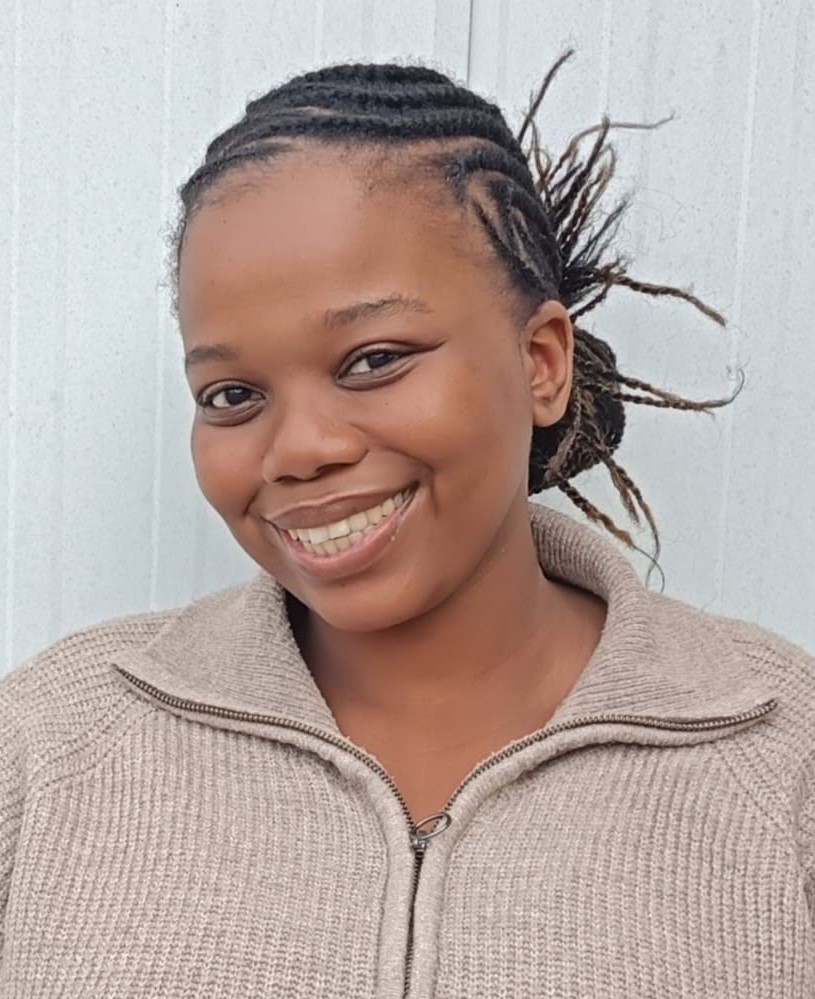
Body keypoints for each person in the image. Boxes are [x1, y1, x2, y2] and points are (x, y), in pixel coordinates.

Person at [1, 53, 813, 998]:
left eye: (374, 358)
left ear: (541, 362)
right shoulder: (50, 742)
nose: (297, 448)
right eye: (231, 394)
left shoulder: (781, 752)